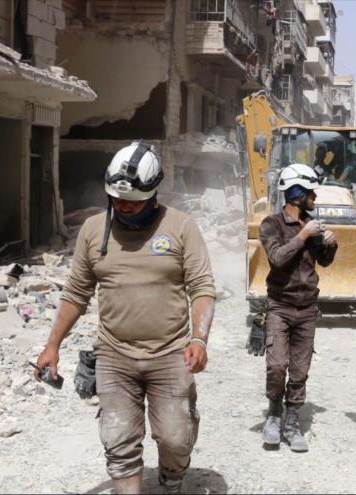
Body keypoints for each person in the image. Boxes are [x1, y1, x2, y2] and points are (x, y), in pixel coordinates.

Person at [34, 141, 216, 494]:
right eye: (117, 200)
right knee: (118, 440)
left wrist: (199, 338)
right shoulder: (92, 231)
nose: (124, 207)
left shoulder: (181, 227)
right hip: (114, 355)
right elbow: (76, 293)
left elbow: (202, 288)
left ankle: (172, 479)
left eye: (133, 201)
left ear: (153, 193)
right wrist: (52, 345)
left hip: (170, 354)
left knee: (175, 438)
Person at [255, 163, 337, 452]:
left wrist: (330, 244)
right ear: (297, 192)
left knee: (300, 370)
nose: (314, 197)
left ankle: (291, 422)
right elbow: (277, 258)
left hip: (307, 309)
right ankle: (273, 415)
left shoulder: (311, 225)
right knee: (277, 365)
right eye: (311, 192)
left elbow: (323, 262)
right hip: (280, 306)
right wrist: (302, 236)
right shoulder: (271, 225)